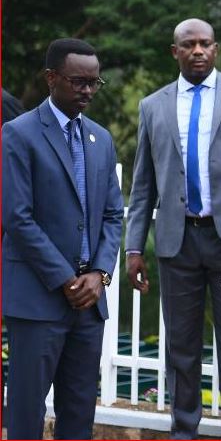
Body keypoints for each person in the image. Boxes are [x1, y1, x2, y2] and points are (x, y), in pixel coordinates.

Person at [125, 18, 221, 439]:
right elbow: (143, 185)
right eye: (189, 44)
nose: (198, 51)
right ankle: (184, 431)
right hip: (177, 242)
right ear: (174, 52)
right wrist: (134, 248)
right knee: (180, 347)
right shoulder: (152, 106)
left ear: (216, 49)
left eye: (205, 43)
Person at [2, 38, 124, 439]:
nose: (88, 90)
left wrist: (99, 273)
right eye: (78, 82)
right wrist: (65, 279)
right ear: (51, 78)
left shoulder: (101, 139)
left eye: (94, 82)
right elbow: (17, 218)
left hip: (89, 304)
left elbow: (113, 214)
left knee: (78, 415)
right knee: (26, 415)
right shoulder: (18, 134)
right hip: (38, 299)